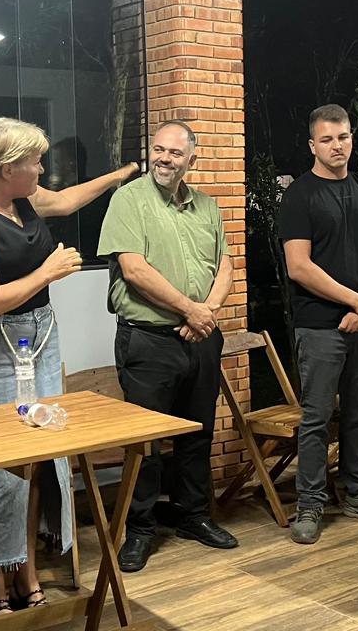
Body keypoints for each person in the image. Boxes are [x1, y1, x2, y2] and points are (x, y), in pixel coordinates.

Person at [0, 118, 138, 615]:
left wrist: (121, 174)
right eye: (35, 162)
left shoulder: (22, 198)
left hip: (38, 337)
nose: (43, 170)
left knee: (37, 455)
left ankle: (24, 567)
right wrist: (47, 271)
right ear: (8, 168)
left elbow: (67, 200)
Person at [98, 119, 238, 570]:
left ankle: (193, 516)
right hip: (149, 341)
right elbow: (134, 270)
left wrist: (206, 313)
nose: (164, 158)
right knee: (146, 441)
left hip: (201, 338)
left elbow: (226, 265)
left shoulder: (208, 207)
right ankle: (139, 529)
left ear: (190, 160)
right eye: (159, 149)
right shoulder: (129, 200)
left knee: (198, 432)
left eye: (175, 153)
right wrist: (189, 310)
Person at [278, 103, 358, 546]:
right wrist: (356, 302)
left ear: (352, 139)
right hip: (320, 327)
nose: (337, 146)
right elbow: (299, 266)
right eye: (327, 139)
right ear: (312, 145)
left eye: (344, 137)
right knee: (317, 418)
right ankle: (310, 504)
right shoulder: (300, 195)